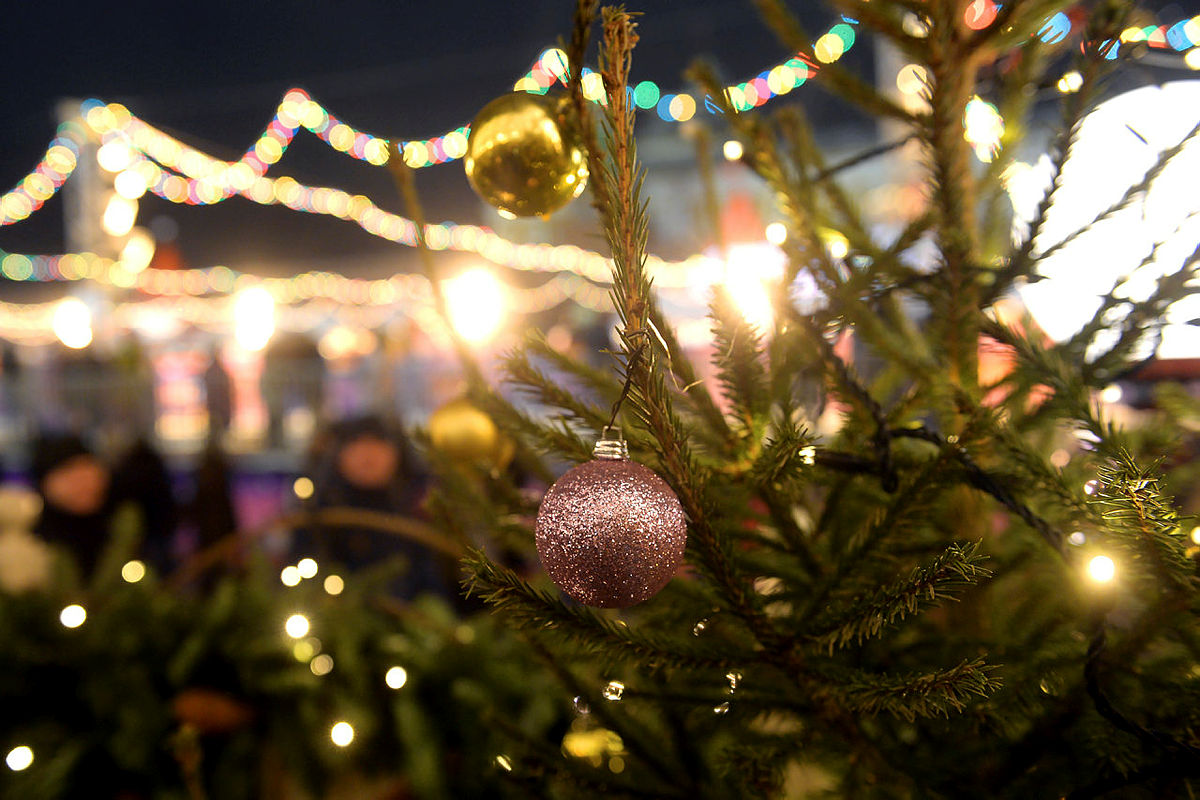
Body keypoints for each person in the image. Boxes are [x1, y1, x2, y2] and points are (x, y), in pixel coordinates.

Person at [293, 415, 450, 599]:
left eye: (378, 443)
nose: (368, 454)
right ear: (339, 454)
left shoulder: (420, 506)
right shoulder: (320, 511)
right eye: (357, 444)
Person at [29, 432, 114, 578]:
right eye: (70, 471)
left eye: (88, 466)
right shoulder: (32, 540)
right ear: (46, 482)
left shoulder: (119, 529)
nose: (86, 481)